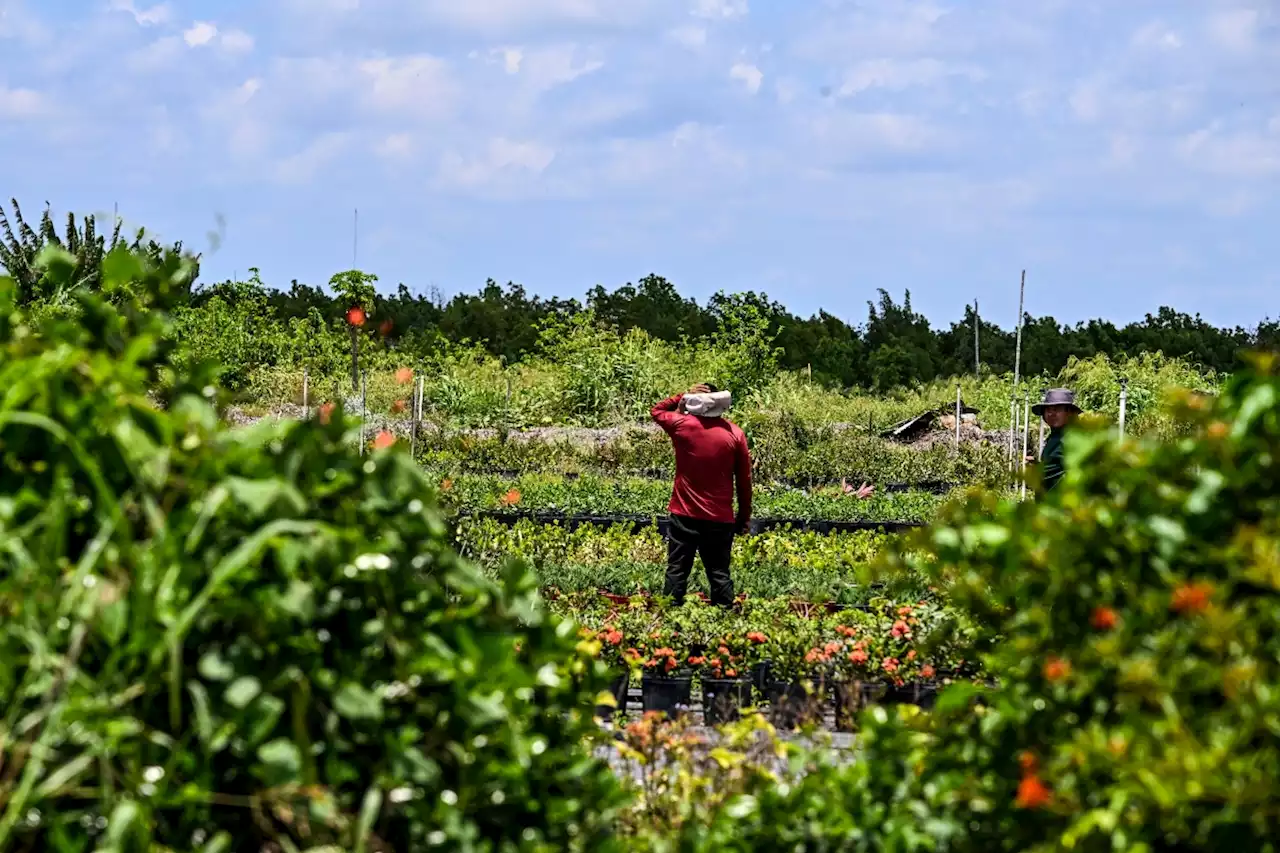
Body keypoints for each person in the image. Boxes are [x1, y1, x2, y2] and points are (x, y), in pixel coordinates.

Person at [650, 383, 752, 607]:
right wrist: (744, 517)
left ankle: (667, 627)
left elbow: (657, 411)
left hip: (684, 515)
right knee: (719, 574)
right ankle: (726, 625)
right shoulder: (735, 433)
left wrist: (683, 394)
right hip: (720, 519)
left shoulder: (683, 425)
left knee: (677, 571)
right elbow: (744, 482)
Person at [1029, 388, 1082, 493]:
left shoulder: (1070, 438)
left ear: (1070, 413)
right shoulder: (1055, 436)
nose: (1051, 414)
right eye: (1048, 410)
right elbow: (1055, 468)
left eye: (1057, 409)